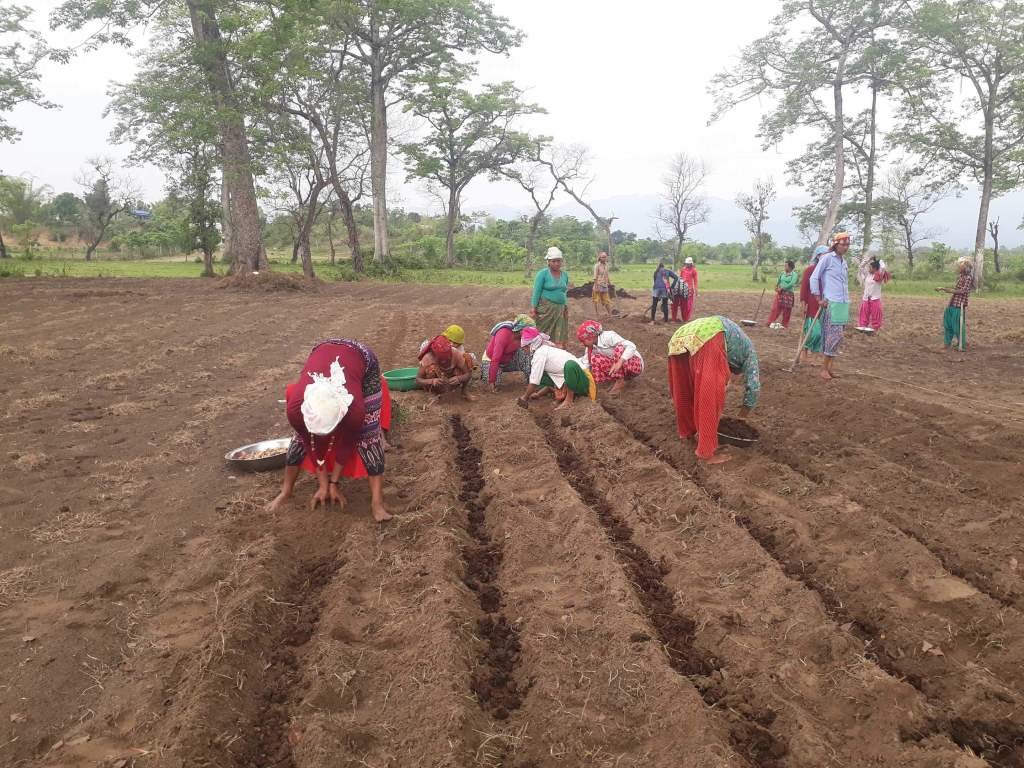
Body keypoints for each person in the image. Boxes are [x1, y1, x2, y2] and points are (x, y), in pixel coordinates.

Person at [268, 339, 392, 522]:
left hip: (362, 359)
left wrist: (334, 482)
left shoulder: (355, 410)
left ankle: (377, 503)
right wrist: (324, 485)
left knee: (369, 437)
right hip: (322, 351)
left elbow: (348, 442)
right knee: (299, 441)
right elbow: (310, 444)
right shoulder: (296, 409)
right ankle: (285, 492)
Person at [668, 316, 760, 465]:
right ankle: (707, 453)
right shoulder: (750, 353)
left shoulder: (735, 344)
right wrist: (742, 417)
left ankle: (687, 433)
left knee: (684, 391)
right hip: (711, 335)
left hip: (680, 336)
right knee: (709, 397)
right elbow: (754, 386)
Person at [517, 327, 596, 411]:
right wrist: (539, 394)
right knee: (540, 374)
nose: (525, 351)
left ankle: (568, 400)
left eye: (525, 348)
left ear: (530, 345)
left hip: (583, 381)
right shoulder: (543, 349)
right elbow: (549, 376)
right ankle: (562, 393)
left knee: (570, 365)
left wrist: (524, 397)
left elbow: (534, 381)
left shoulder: (540, 354)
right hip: (570, 380)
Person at [810, 233, 852, 381]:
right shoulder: (827, 258)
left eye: (847, 244)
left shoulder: (844, 262)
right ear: (836, 244)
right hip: (831, 302)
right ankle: (823, 369)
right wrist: (818, 298)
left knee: (838, 338)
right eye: (843, 244)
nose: (846, 247)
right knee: (834, 335)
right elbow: (814, 277)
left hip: (843, 302)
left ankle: (830, 369)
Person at [576, 320, 644, 396]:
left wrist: (620, 362)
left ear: (591, 337)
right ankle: (605, 384)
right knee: (594, 358)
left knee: (619, 348)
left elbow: (631, 346)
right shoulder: (590, 348)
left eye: (583, 341)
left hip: (635, 365)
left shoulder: (608, 336)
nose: (582, 344)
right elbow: (585, 363)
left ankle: (620, 382)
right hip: (620, 368)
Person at [481, 313, 535, 392]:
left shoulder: (523, 337)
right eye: (529, 330)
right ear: (521, 330)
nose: (530, 333)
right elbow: (495, 359)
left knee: (529, 356)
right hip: (491, 360)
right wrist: (491, 382)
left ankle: (531, 382)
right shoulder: (503, 334)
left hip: (508, 359)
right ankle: (490, 377)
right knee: (493, 382)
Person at [531, 246, 570, 347]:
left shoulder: (564, 275)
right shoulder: (542, 274)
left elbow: (564, 292)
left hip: (560, 309)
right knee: (542, 331)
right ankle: (539, 349)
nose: (557, 263)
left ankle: (556, 350)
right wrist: (533, 307)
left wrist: (565, 306)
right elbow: (537, 291)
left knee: (559, 332)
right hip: (546, 309)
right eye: (554, 261)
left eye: (559, 261)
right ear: (548, 262)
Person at [416, 334, 475, 399]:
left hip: (452, 380)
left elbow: (468, 373)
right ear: (434, 354)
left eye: (448, 358)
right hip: (437, 382)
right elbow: (418, 380)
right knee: (430, 370)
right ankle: (434, 394)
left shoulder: (455, 353)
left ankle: (464, 392)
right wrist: (432, 381)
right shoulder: (428, 358)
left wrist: (459, 378)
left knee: (467, 360)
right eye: (441, 359)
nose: (444, 361)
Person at [937, 257, 974, 351]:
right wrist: (947, 290)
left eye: (961, 266)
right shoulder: (961, 277)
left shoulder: (968, 278)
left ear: (966, 268)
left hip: (959, 304)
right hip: (952, 303)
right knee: (948, 324)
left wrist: (947, 290)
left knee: (957, 326)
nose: (959, 268)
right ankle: (947, 343)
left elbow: (963, 291)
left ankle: (961, 344)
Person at [799, 245, 828, 363]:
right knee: (812, 332)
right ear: (818, 256)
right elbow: (804, 288)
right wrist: (802, 303)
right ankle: (804, 352)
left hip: (824, 305)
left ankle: (815, 357)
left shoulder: (828, 272)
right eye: (823, 255)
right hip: (811, 305)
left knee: (821, 334)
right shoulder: (810, 270)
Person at [857, 256, 890, 331]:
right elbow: (861, 267)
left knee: (876, 315)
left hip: (875, 299)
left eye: (870, 267)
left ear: (875, 268)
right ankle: (862, 327)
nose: (869, 269)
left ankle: (876, 329)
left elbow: (883, 267)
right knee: (864, 314)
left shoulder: (879, 275)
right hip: (866, 298)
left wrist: (880, 260)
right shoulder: (867, 275)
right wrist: (869, 259)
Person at [766, 260, 799, 329]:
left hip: (788, 294)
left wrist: (783, 288)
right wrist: (776, 287)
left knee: (787, 310)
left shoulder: (794, 274)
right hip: (780, 293)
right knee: (775, 308)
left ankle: (784, 324)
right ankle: (770, 322)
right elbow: (778, 281)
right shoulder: (782, 274)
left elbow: (792, 283)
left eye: (786, 266)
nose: (784, 267)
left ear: (790, 267)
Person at [592, 251, 613, 317]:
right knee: (596, 300)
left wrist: (610, 283)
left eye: (605, 257)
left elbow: (607, 275)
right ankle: (597, 314)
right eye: (603, 257)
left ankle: (610, 314)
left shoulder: (607, 265)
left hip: (604, 285)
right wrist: (596, 286)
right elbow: (595, 277)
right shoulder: (597, 266)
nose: (605, 258)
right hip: (598, 284)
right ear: (600, 258)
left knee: (606, 300)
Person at [680, 257, 700, 321]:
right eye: (686, 263)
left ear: (691, 264)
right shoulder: (683, 269)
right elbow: (680, 278)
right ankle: (684, 317)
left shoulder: (694, 270)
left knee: (689, 305)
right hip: (683, 288)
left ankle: (686, 318)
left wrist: (696, 291)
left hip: (690, 290)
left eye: (689, 263)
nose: (687, 264)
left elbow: (695, 281)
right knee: (683, 304)